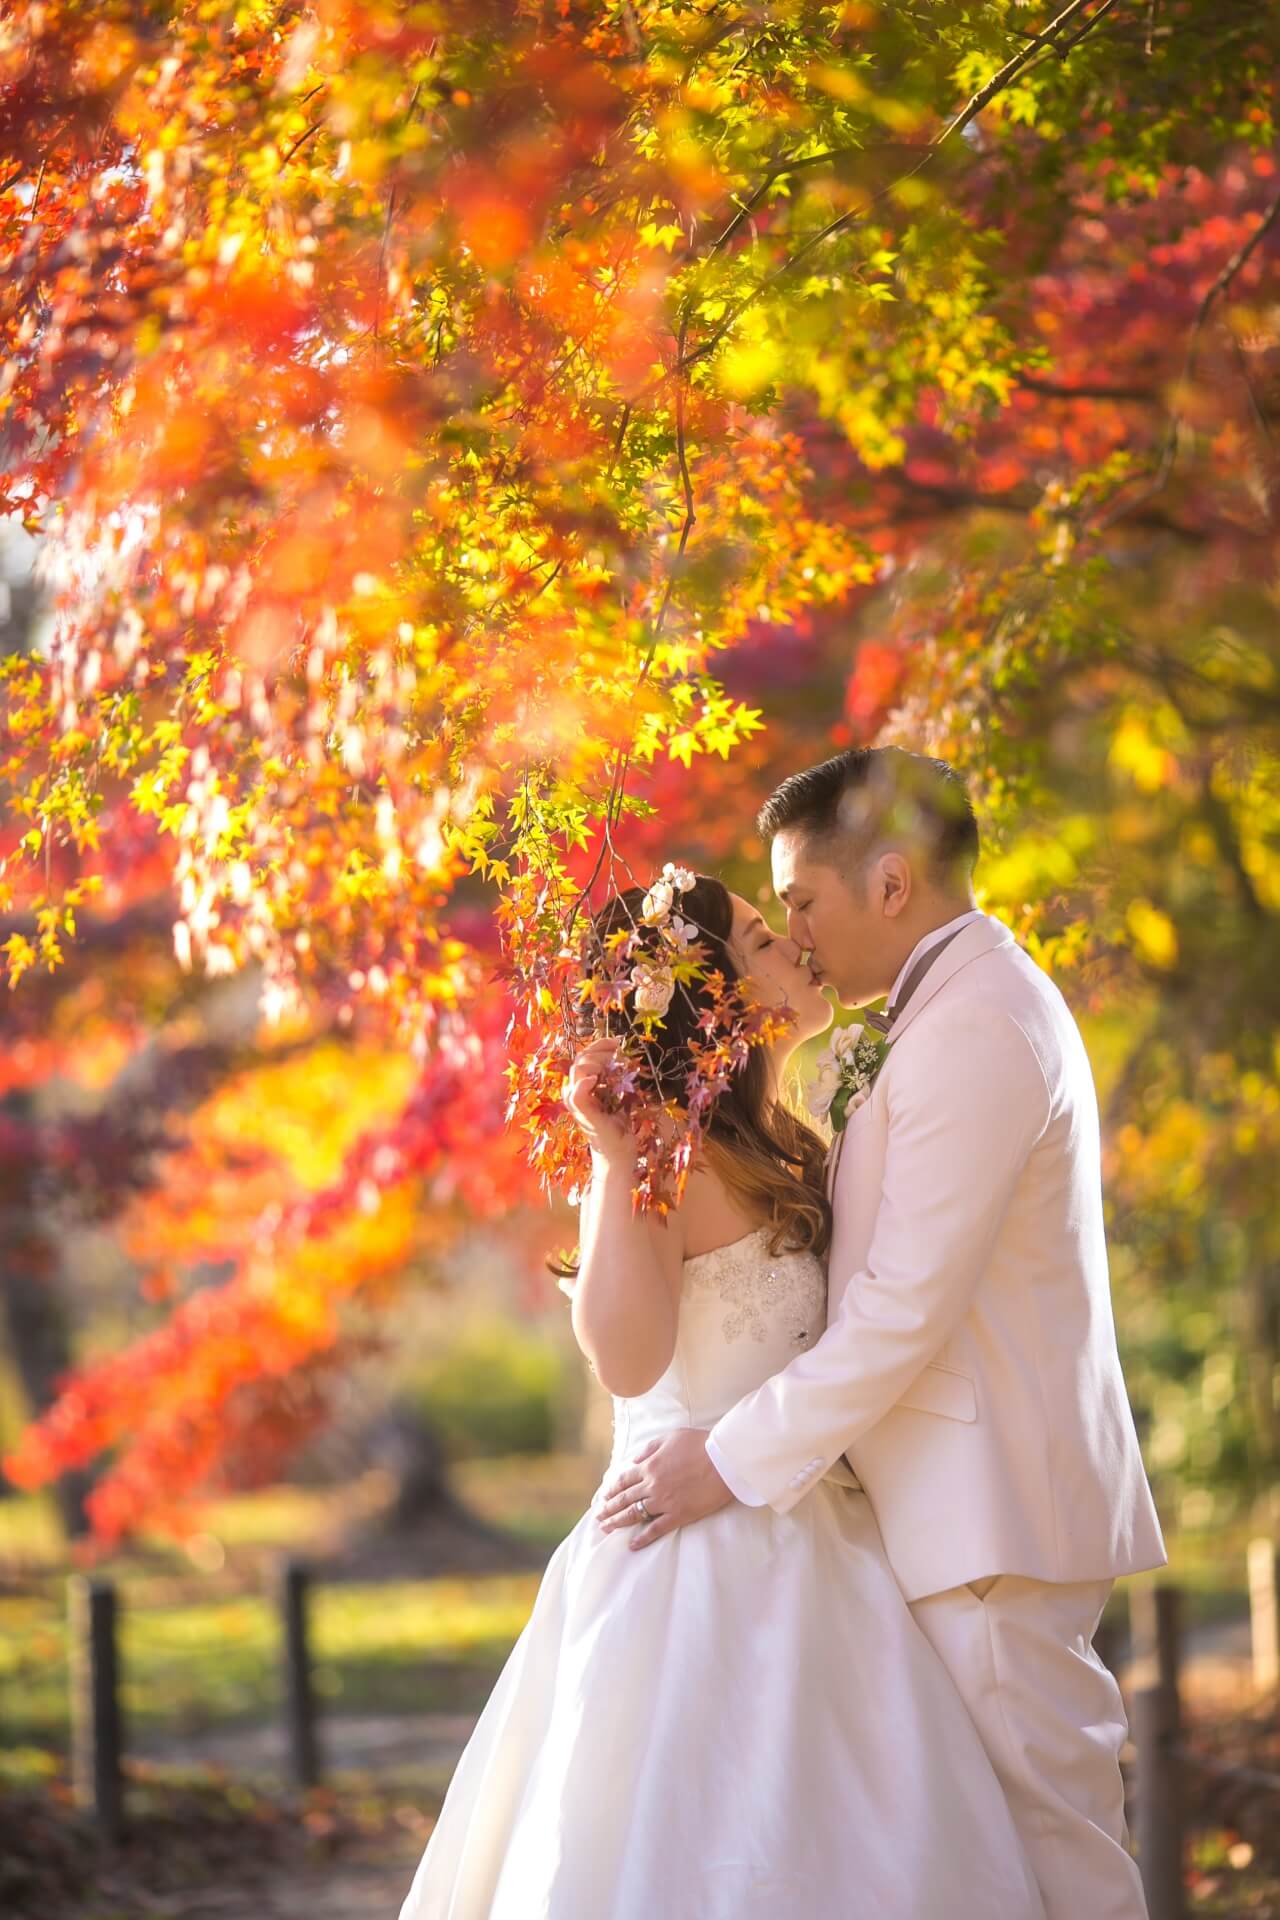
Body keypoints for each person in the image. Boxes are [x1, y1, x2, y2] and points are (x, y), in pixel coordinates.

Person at [398, 868, 1044, 1919]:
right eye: (757, 938)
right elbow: (626, 1362)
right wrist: (612, 1157)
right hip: (686, 1556)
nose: (792, 942)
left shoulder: (787, 1145)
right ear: (708, 995)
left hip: (818, 1533)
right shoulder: (659, 1149)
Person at [597, 746, 1167, 1920]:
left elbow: (900, 1309)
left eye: (798, 901)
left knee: (1056, 1866)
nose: (795, 933)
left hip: (984, 1520)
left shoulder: (972, 1029)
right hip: (917, 1525)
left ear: (892, 886)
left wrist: (727, 1457)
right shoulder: (939, 1018)